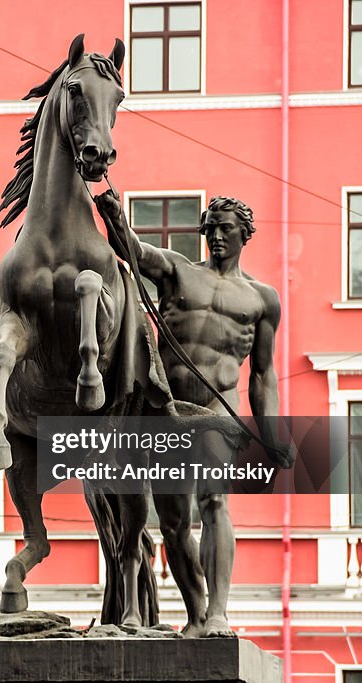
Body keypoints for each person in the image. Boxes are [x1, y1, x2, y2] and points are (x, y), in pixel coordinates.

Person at [94, 191, 295, 638]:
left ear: (245, 235)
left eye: (226, 229)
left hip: (215, 411)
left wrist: (273, 432)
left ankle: (219, 613)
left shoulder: (263, 300)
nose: (217, 237)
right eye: (211, 229)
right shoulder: (179, 271)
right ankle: (197, 615)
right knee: (173, 523)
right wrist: (113, 214)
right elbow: (133, 249)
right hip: (163, 409)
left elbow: (263, 374)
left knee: (215, 499)